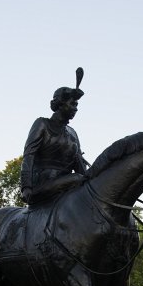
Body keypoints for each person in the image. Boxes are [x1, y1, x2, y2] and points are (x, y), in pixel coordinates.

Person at [20, 68, 88, 204]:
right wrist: (26, 186)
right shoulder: (42, 124)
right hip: (43, 183)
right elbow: (29, 154)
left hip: (69, 184)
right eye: (72, 104)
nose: (76, 108)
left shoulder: (72, 133)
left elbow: (80, 167)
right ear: (60, 104)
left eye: (77, 105)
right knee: (76, 178)